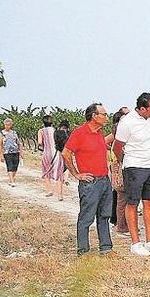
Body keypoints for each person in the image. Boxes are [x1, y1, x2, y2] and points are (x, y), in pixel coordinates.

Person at [61, 103, 115, 257]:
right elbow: (66, 153)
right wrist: (76, 174)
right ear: (94, 116)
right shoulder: (80, 133)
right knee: (86, 217)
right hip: (90, 183)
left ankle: (106, 248)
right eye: (103, 114)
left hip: (104, 181)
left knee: (104, 216)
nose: (106, 117)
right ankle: (83, 250)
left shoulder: (99, 133)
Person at [113, 92, 150, 256]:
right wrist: (124, 162)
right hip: (134, 166)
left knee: (149, 202)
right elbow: (117, 146)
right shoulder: (127, 123)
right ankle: (135, 243)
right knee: (132, 203)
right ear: (142, 109)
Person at [37, 114, 64, 200]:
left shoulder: (41, 131)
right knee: (59, 173)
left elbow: (40, 142)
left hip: (47, 153)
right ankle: (60, 195)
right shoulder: (56, 130)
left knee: (46, 171)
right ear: (52, 122)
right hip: (57, 153)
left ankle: (49, 190)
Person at [0, 118, 21, 187]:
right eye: (6, 125)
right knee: (9, 166)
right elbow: (0, 145)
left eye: (9, 125)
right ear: (4, 125)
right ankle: (12, 181)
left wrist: (21, 152)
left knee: (15, 166)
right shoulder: (0, 133)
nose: (7, 126)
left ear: (11, 125)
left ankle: (11, 179)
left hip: (15, 151)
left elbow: (18, 142)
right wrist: (1, 155)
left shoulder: (14, 133)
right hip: (7, 152)